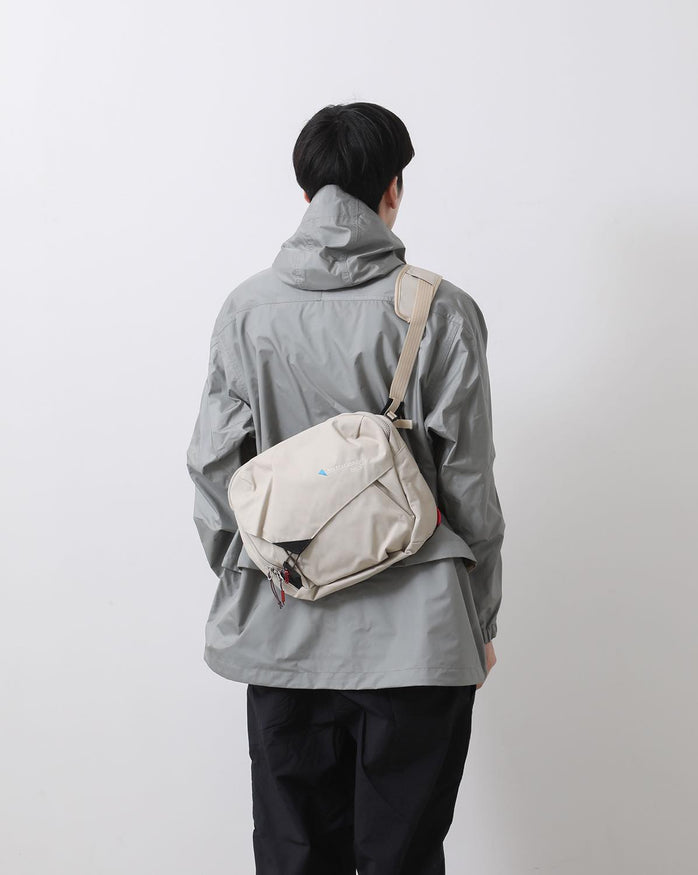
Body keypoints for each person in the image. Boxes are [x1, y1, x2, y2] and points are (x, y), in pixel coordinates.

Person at [186, 101, 505, 875]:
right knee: (403, 858)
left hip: (284, 632)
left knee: (294, 857)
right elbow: (468, 484)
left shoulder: (247, 311)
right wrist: (480, 616)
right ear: (393, 188)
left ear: (306, 193)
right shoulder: (440, 310)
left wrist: (261, 576)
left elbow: (214, 470)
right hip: (418, 641)